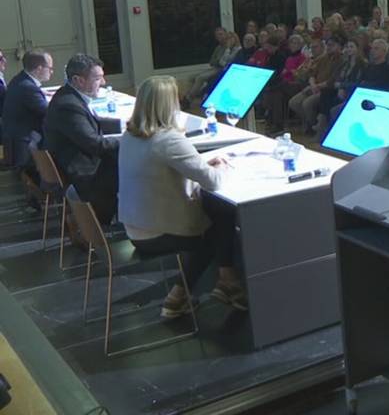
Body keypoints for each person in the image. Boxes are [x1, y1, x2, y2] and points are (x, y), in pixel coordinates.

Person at [117, 75, 245, 318]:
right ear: (169, 104)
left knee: (219, 214)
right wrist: (223, 166)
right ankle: (182, 295)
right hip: (157, 231)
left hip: (135, 225)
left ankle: (226, 282)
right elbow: (214, 181)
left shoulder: (131, 135)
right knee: (222, 222)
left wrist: (204, 164)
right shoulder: (168, 139)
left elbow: (162, 168)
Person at [43, 54, 121, 232]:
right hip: (84, 174)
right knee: (137, 173)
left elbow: (87, 123)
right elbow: (95, 145)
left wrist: (129, 127)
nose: (103, 82)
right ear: (78, 80)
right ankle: (133, 223)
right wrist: (129, 139)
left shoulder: (68, 97)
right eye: (97, 78)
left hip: (75, 164)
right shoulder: (68, 105)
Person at [2, 50, 52, 170]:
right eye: (49, 68)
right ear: (39, 69)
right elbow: (49, 113)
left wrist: (41, 93)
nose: (51, 71)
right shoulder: (28, 88)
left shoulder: (20, 79)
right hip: (25, 146)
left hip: (16, 139)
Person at [184, 27, 234, 107]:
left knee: (200, 77)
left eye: (221, 34)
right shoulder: (218, 47)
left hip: (221, 70)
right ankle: (188, 98)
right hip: (214, 68)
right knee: (191, 77)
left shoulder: (229, 47)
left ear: (225, 35)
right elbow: (211, 62)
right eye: (217, 35)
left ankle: (187, 99)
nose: (219, 37)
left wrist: (217, 61)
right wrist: (217, 61)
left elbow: (222, 63)